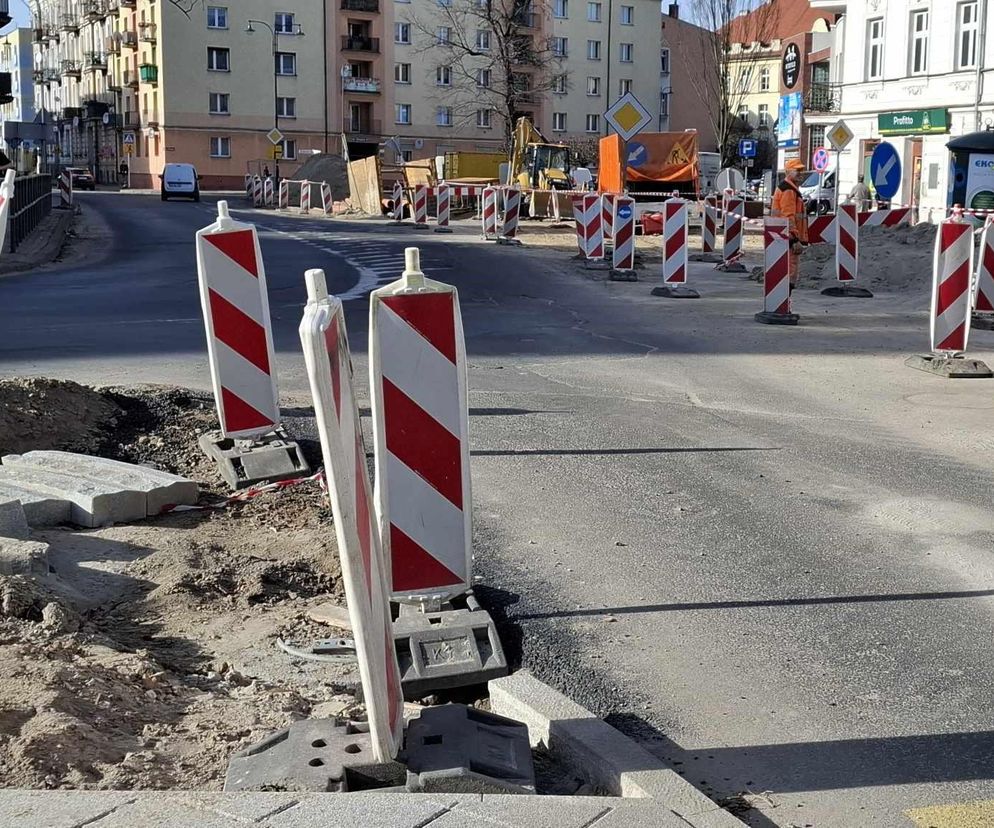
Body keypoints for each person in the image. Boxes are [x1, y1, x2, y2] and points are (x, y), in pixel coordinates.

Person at [771, 158, 809, 292]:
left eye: (801, 170)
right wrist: (794, 239)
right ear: (788, 172)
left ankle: (783, 302)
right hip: (788, 237)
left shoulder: (789, 188)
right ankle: (784, 303)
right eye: (797, 170)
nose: (800, 173)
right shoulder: (788, 190)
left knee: (786, 269)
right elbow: (788, 216)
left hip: (782, 235)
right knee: (790, 270)